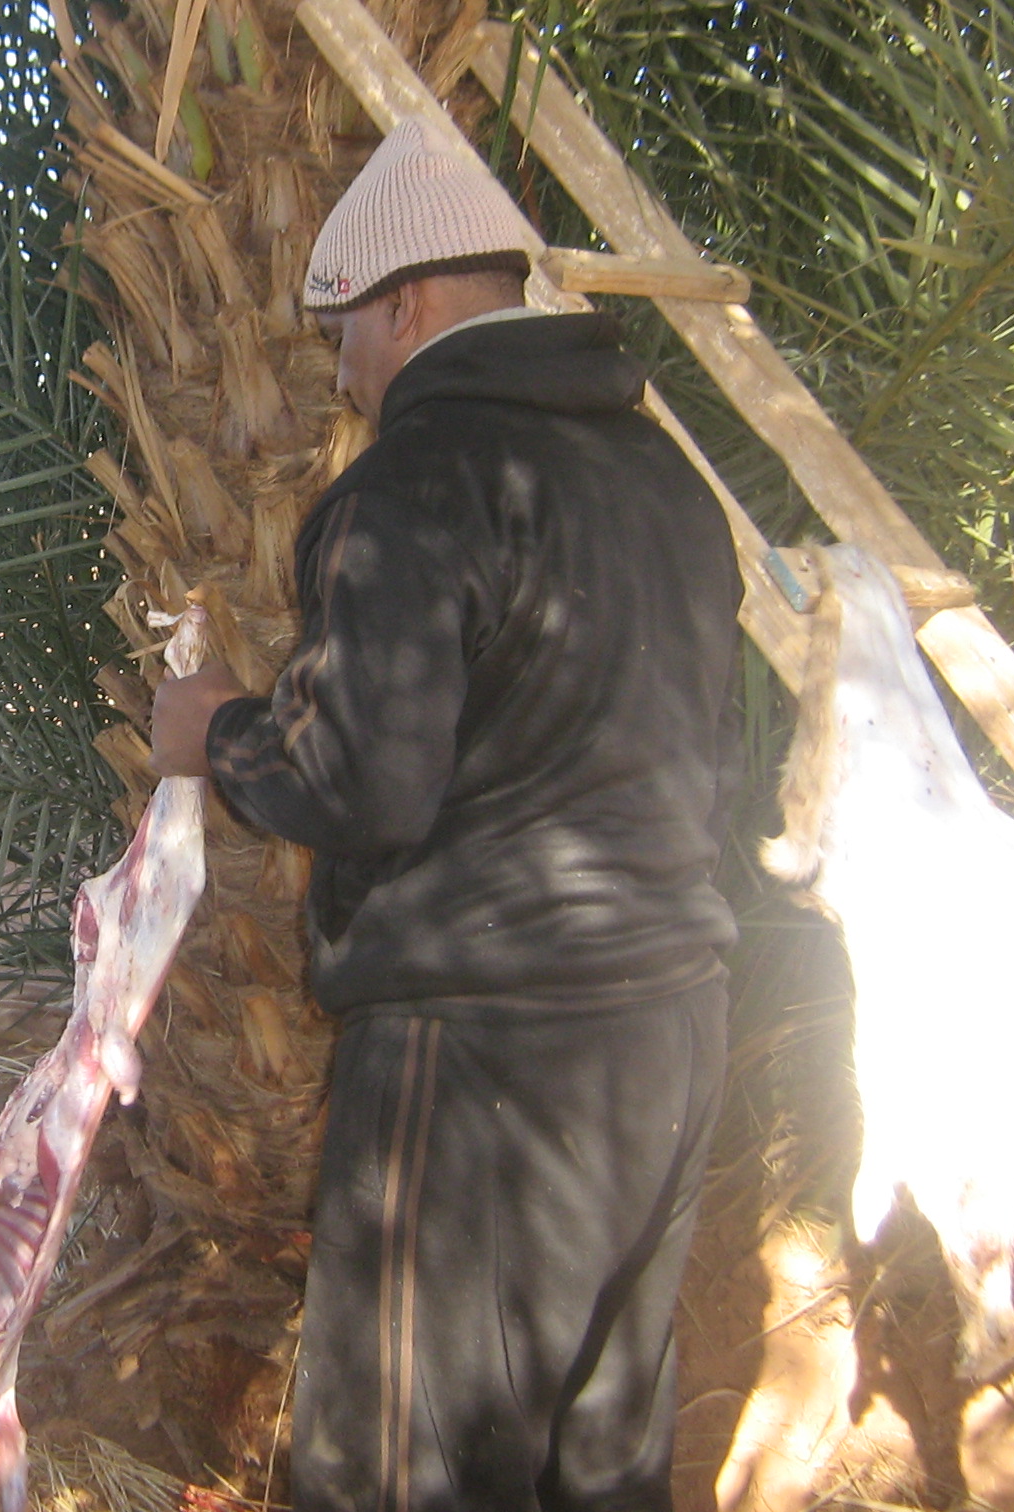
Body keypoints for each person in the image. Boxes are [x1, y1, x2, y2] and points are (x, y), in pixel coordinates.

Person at [151, 120, 743, 1512]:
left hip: (482, 1069)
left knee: (403, 1469)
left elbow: (362, 781)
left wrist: (220, 728)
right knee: (599, 1459)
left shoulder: (412, 486)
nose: (341, 368)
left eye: (343, 330)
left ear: (406, 303)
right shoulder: (670, 486)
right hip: (669, 1032)